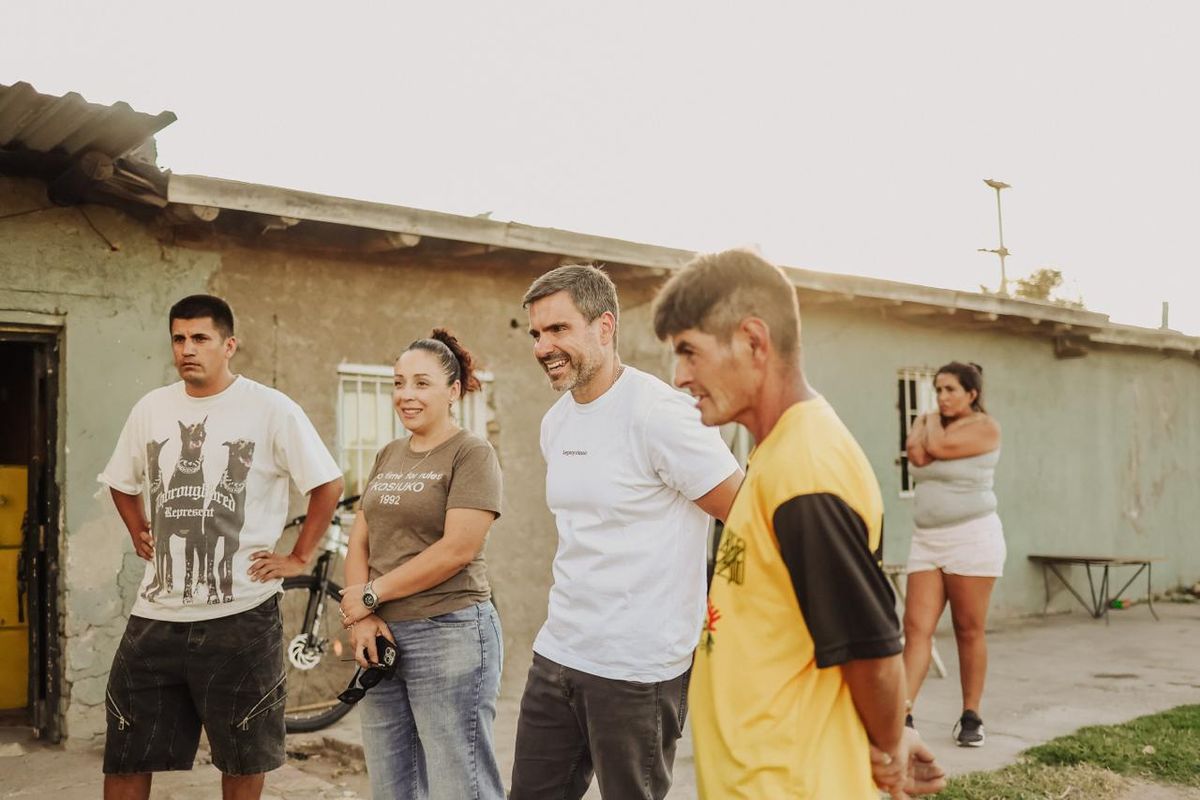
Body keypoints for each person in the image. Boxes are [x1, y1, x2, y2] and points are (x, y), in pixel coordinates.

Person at [652, 248, 946, 799]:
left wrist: (889, 742)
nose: (680, 376)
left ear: (754, 341)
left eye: (689, 352)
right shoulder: (777, 452)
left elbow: (871, 650)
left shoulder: (804, 471)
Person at [508, 264, 743, 800]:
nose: (544, 346)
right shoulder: (556, 422)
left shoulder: (660, 415)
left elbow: (747, 514)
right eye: (537, 334)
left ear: (605, 327)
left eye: (559, 329)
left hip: (638, 670)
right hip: (559, 655)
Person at [99, 294, 344, 800]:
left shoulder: (271, 408)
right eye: (179, 339)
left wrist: (298, 557)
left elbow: (327, 484)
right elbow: (121, 481)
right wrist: (137, 527)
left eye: (200, 338)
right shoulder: (152, 408)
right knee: (126, 751)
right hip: (156, 614)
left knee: (242, 754)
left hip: (242, 616)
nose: (187, 349)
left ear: (229, 345)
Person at [337, 329, 506, 800]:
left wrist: (371, 595)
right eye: (397, 383)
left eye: (421, 383)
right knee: (393, 786)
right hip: (383, 637)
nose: (406, 395)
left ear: (453, 391)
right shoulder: (388, 454)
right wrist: (362, 617)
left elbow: (458, 549)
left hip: (449, 632)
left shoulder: (471, 453)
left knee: (460, 785)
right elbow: (360, 543)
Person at [903, 361, 1003, 747]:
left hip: (972, 537)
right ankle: (903, 714)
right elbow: (917, 454)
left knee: (967, 628)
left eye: (950, 390)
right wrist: (928, 429)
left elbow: (936, 448)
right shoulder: (931, 420)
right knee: (915, 629)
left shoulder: (986, 427)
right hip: (926, 539)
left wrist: (927, 429)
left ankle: (971, 716)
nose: (942, 397)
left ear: (971, 394)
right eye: (938, 390)